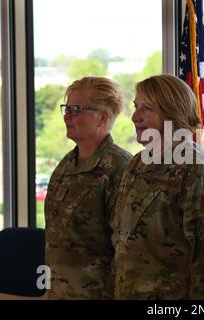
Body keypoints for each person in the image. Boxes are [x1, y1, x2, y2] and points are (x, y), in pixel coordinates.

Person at [112, 74, 204, 299]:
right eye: (136, 107)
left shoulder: (196, 168)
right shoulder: (137, 163)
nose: (135, 116)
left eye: (147, 109)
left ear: (171, 114)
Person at [45, 76, 132, 299]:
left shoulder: (120, 168)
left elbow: (126, 249)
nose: (66, 116)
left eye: (76, 109)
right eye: (66, 108)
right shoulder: (66, 165)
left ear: (102, 117)